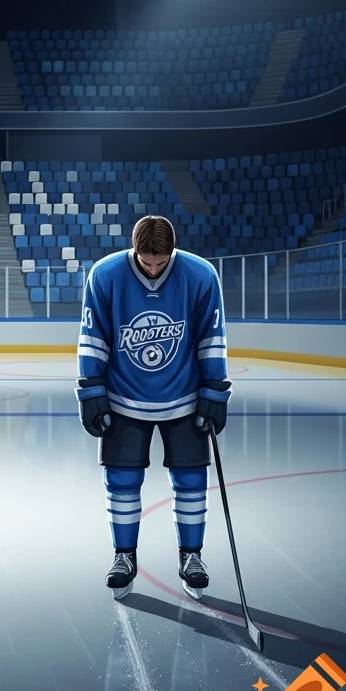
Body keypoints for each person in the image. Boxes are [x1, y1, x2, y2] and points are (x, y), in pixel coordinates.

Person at [74, 215, 232, 600]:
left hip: (185, 397)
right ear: (135, 250)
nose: (154, 269)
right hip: (123, 397)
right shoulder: (105, 274)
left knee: (192, 481)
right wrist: (90, 388)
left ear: (172, 251)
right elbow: (93, 335)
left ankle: (191, 557)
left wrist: (214, 391)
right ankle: (123, 556)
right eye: (147, 262)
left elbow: (212, 336)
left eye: (161, 263)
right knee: (122, 481)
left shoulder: (200, 274)